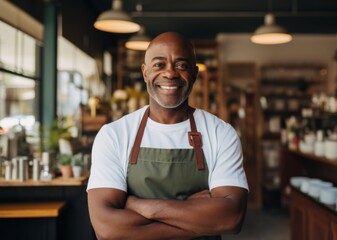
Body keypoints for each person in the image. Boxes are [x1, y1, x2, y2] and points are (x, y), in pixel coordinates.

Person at [87, 32, 248, 240]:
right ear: (145, 72)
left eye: (181, 65)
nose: (170, 73)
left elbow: (231, 217)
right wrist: (198, 217)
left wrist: (144, 206)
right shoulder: (114, 135)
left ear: (195, 73)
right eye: (159, 65)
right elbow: (106, 228)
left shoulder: (221, 133)